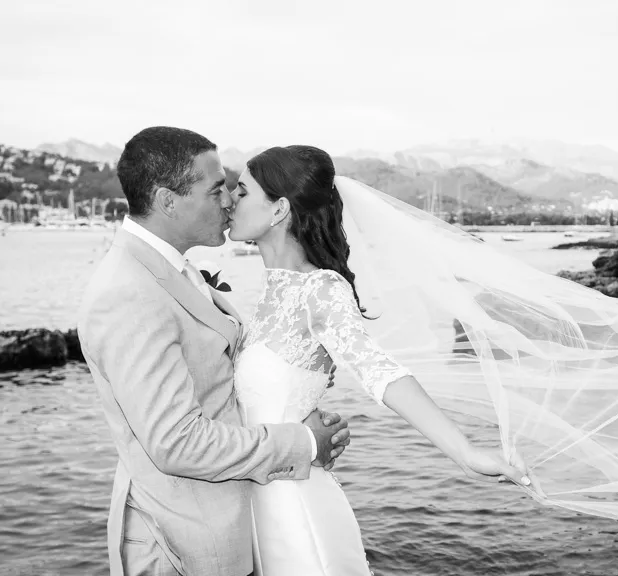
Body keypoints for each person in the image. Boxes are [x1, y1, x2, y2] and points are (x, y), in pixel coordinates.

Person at [227, 145, 541, 576]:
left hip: (293, 509)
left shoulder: (319, 288)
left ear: (279, 209)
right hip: (257, 499)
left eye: (241, 192)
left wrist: (465, 452)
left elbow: (379, 370)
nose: (229, 200)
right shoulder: (270, 291)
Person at [77, 128, 351, 576]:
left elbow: (216, 378)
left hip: (236, 529)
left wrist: (292, 375)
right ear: (168, 201)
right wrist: (301, 443)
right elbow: (178, 442)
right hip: (181, 546)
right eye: (216, 189)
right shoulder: (128, 292)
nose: (228, 202)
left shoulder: (172, 270)